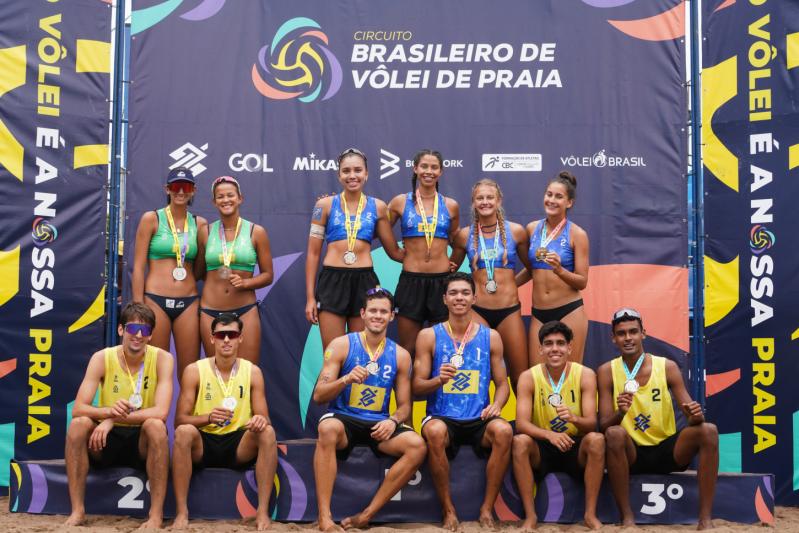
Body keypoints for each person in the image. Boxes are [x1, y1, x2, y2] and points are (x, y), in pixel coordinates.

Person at [312, 287, 426, 531]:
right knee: (327, 428)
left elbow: (405, 406)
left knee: (417, 446)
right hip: (345, 419)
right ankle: (324, 517)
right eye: (373, 310)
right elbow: (319, 396)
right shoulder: (342, 345)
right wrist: (345, 379)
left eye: (383, 311)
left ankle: (366, 515)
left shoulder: (401, 355)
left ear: (392, 316)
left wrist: (393, 421)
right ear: (362, 313)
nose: (378, 315)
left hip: (379, 423)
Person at [598, 308, 718, 529]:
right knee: (614, 433)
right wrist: (620, 413)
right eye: (621, 333)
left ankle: (705, 518)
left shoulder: (667, 367)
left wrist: (696, 416)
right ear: (613, 338)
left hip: (667, 450)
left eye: (633, 332)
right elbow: (603, 425)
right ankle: (627, 517)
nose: (628, 338)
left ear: (644, 333)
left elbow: (691, 417)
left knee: (708, 430)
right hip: (631, 454)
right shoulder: (607, 371)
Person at [412, 272, 512, 531]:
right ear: (444, 299)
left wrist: (497, 405)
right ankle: (448, 509)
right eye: (454, 293)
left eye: (465, 293)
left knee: (503, 430)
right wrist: (437, 380)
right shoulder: (428, 336)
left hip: (479, 418)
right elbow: (416, 386)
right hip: (443, 417)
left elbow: (502, 385)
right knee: (434, 432)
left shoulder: (491, 337)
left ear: (474, 298)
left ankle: (487, 509)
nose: (459, 298)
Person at [64, 302, 173, 528]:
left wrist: (112, 420)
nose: (138, 336)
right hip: (105, 443)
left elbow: (161, 412)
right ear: (121, 330)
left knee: (155, 426)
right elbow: (79, 408)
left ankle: (155, 515)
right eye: (133, 329)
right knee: (78, 424)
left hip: (141, 441)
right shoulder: (102, 358)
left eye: (144, 331)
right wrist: (107, 413)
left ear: (151, 335)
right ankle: (77, 511)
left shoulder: (163, 359)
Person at [172, 312, 277, 530]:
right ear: (212, 339)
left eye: (232, 334)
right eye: (221, 335)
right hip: (204, 441)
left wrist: (259, 420)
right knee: (183, 432)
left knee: (267, 433)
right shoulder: (194, 370)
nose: (226, 340)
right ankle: (181, 512)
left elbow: (264, 417)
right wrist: (208, 417)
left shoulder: (253, 372)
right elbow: (179, 420)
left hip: (238, 443)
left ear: (240, 338)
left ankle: (262, 512)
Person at [305, 147, 405, 350]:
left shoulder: (378, 206)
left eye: (358, 170)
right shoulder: (323, 205)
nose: (352, 176)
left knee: (362, 352)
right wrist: (310, 298)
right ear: (339, 174)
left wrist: (431, 261)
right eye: (346, 171)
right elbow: (313, 254)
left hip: (364, 281)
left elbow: (394, 252)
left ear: (366, 174)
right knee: (332, 353)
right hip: (332, 282)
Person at [512, 321, 604, 531]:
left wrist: (574, 419)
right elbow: (521, 424)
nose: (555, 349)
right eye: (549, 343)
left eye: (561, 343)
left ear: (570, 348)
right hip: (543, 446)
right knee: (519, 442)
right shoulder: (528, 377)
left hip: (574, 444)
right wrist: (549, 435)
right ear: (540, 349)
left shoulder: (586, 374)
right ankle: (530, 516)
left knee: (597, 440)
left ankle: (590, 514)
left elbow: (591, 424)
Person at [451, 179, 531, 389]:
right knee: (476, 373)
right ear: (473, 202)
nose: (485, 202)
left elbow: (533, 268)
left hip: (509, 311)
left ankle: (525, 422)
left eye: (489, 197)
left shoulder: (516, 232)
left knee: (520, 376)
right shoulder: (464, 235)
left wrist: (511, 284)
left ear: (499, 200)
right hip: (478, 311)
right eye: (480, 198)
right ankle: (478, 421)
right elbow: (450, 269)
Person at [132, 166, 207, 378]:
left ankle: (187, 413)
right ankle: (153, 413)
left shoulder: (199, 224)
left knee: (189, 372)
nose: (181, 192)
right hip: (155, 301)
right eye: (176, 186)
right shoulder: (151, 219)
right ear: (167, 189)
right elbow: (138, 266)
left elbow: (201, 269)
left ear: (193, 190)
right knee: (155, 370)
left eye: (186, 186)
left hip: (188, 302)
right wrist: (138, 308)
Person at [387, 149, 460, 357]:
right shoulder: (400, 202)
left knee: (440, 350)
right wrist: (394, 252)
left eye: (434, 167)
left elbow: (458, 242)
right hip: (411, 282)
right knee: (408, 350)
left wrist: (453, 262)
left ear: (441, 171)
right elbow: (375, 229)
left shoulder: (450, 205)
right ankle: (406, 391)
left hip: (442, 283)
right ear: (415, 168)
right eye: (424, 166)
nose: (429, 171)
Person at [198, 175, 273, 364]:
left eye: (230, 195)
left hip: (245, 311)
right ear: (214, 202)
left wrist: (247, 282)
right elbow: (198, 272)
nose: (226, 200)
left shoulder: (256, 232)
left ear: (240, 198)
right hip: (210, 312)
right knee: (213, 375)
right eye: (220, 197)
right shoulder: (205, 232)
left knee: (246, 372)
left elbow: (268, 275)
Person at [518, 171, 589, 365]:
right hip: (539, 313)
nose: (552, 200)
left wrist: (560, 270)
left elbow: (582, 282)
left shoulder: (577, 234)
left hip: (569, 310)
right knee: (537, 375)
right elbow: (531, 269)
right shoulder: (532, 228)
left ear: (569, 203)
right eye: (549, 194)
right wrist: (508, 285)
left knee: (570, 376)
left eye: (559, 196)